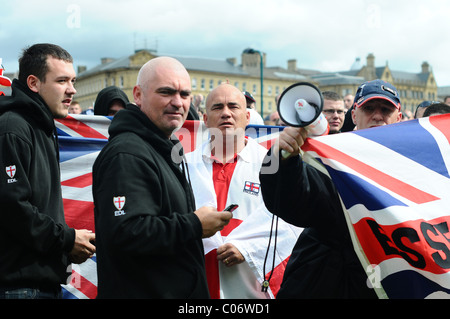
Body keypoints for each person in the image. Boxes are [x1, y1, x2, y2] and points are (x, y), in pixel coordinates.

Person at [92, 56, 232, 299]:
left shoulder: (164, 146)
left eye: (185, 94)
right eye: (166, 92)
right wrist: (195, 225)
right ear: (138, 94)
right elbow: (127, 233)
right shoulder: (127, 154)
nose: (177, 102)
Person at [259, 79, 402, 298]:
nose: (377, 116)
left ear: (399, 118)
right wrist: (284, 158)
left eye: (386, 109)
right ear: (354, 115)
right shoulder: (331, 159)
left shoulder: (413, 169)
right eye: (369, 108)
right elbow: (295, 201)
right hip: (324, 280)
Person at [186, 83, 300, 299]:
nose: (226, 113)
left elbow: (291, 224)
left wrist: (249, 249)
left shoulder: (271, 164)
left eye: (233, 107)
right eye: (217, 107)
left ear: (247, 117)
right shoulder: (184, 166)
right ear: (205, 118)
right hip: (198, 287)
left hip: (253, 290)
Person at [0, 43, 95, 299]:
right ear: (33, 83)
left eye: (73, 81)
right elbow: (11, 207)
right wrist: (66, 239)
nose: (72, 90)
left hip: (42, 285)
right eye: (62, 80)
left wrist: (64, 245)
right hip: (19, 288)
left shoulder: (43, 127)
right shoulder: (12, 127)